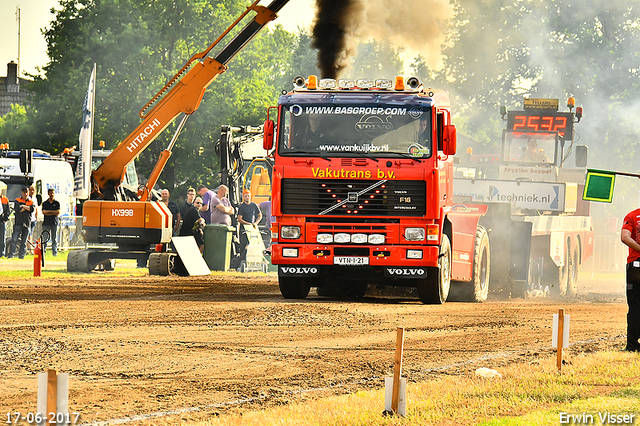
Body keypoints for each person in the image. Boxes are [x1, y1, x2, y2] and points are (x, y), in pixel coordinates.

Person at [621, 209, 640, 352]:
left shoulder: (632, 216)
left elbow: (625, 237)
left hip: (636, 266)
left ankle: (633, 345)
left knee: (634, 307)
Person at [7, 187, 33, 259]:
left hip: (26, 223)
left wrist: (23, 206)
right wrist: (26, 208)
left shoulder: (30, 201)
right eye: (24, 192)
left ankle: (21, 256)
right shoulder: (17, 200)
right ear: (22, 193)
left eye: (27, 192)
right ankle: (11, 255)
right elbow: (18, 210)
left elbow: (31, 209)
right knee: (14, 240)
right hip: (18, 223)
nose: (25, 194)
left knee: (24, 241)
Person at [237, 189, 262, 262]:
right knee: (243, 245)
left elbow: (260, 215)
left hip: (253, 228)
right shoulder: (241, 206)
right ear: (243, 197)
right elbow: (239, 219)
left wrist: (256, 223)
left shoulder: (254, 205)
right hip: (244, 228)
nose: (247, 197)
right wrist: (248, 224)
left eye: (248, 196)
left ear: (250, 196)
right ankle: (242, 261)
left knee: (253, 244)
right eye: (245, 196)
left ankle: (254, 260)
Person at [41, 188, 60, 256]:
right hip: (46, 223)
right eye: (50, 193)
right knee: (45, 239)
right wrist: (53, 212)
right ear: (48, 194)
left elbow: (57, 212)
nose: (52, 194)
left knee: (54, 239)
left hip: (54, 223)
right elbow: (44, 212)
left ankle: (55, 253)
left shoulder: (57, 203)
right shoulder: (45, 203)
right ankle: (43, 252)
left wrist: (48, 211)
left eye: (53, 193)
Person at [26, 185, 39, 254]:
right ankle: (29, 249)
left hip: (33, 219)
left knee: (30, 234)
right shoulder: (27, 198)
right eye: (31, 190)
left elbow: (36, 208)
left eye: (33, 190)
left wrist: (36, 216)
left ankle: (29, 248)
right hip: (28, 219)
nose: (32, 191)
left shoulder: (35, 198)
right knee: (29, 234)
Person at [0, 187, 10, 257]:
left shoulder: (5, 199)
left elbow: (8, 211)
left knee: (2, 238)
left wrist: (5, 219)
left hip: (2, 221)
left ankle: (2, 254)